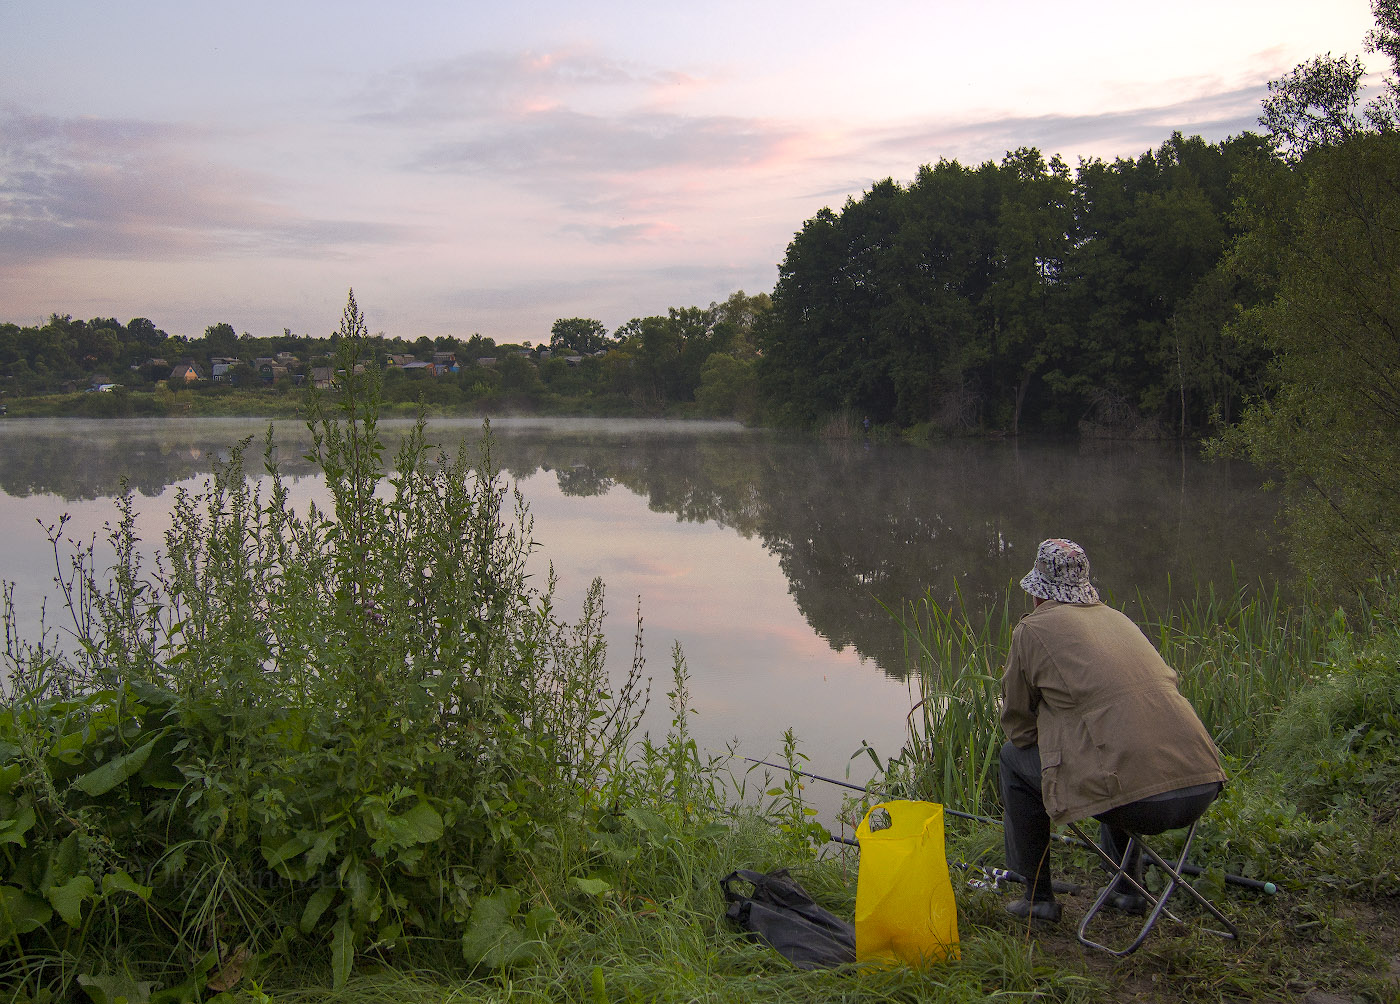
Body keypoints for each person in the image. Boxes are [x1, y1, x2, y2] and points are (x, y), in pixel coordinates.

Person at [998, 538, 1226, 924]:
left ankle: (1037, 897)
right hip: (1201, 786)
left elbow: (1018, 727)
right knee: (1116, 754)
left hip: (1138, 803)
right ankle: (1127, 890)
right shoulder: (1118, 619)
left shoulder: (1032, 630)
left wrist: (1057, 742)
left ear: (1037, 594)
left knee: (1011, 760)